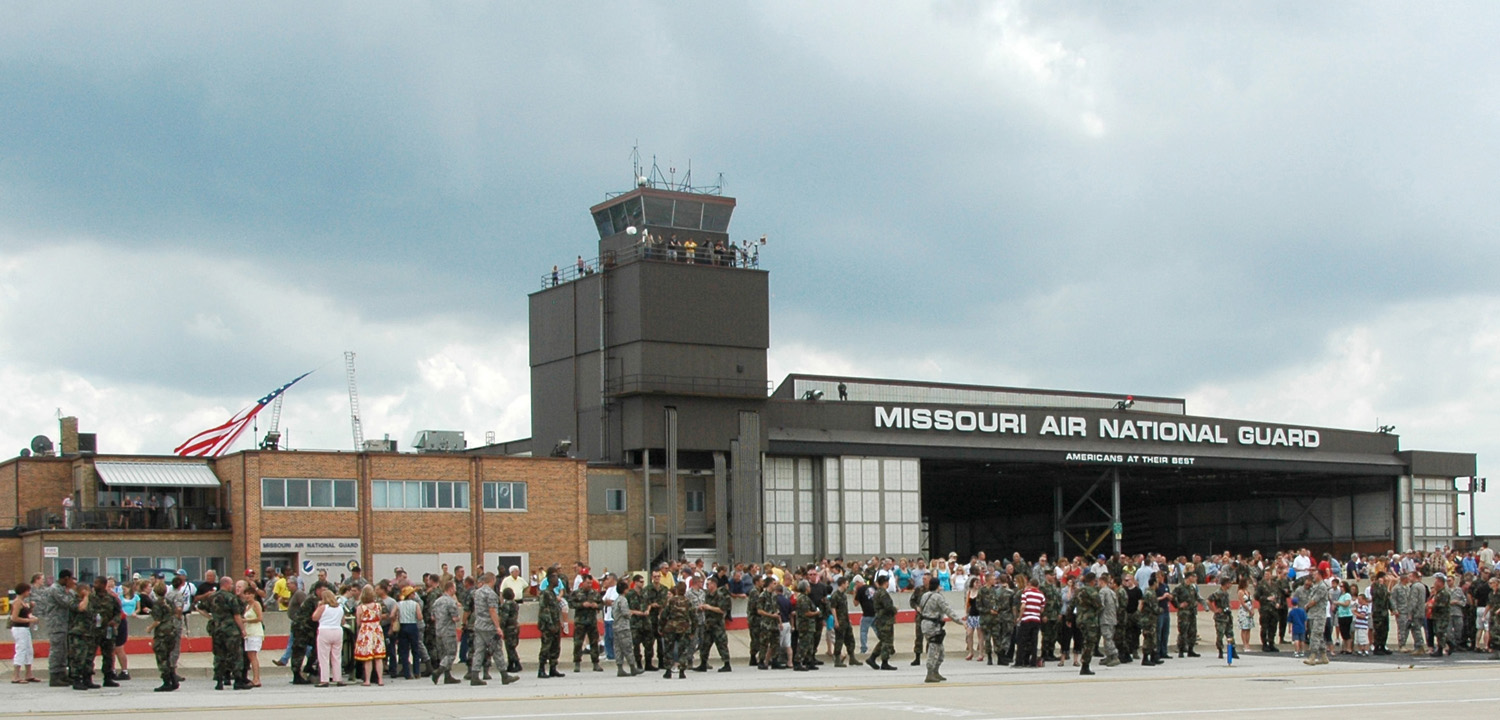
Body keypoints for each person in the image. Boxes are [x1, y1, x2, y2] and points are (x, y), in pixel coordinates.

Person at [197, 578, 249, 690]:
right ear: (227, 584)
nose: (232, 586)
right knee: (236, 654)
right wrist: (242, 630)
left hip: (217, 630)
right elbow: (237, 616)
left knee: (219, 655)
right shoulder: (231, 598)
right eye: (231, 584)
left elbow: (199, 607)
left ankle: (219, 680)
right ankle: (238, 680)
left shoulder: (212, 597)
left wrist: (211, 617)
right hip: (231, 631)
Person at [39, 570, 77, 686]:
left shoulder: (63, 590)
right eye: (71, 579)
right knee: (57, 651)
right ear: (66, 578)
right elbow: (68, 603)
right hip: (56, 625)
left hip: (64, 624)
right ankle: (55, 676)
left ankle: (62, 674)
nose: (72, 582)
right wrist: (72, 591)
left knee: (63, 651)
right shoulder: (55, 589)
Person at [917, 576, 957, 683]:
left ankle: (935, 671)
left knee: (940, 650)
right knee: (934, 649)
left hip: (927, 624)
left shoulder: (924, 595)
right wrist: (960, 621)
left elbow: (920, 607)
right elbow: (947, 610)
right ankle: (930, 673)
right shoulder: (938, 597)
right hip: (932, 626)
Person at [144, 579, 180, 692]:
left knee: (162, 658)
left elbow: (157, 620)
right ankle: (173, 679)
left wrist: (149, 628)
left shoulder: (157, 604)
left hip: (162, 633)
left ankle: (166, 682)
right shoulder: (169, 601)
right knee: (169, 656)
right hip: (172, 631)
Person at [429, 581, 462, 684]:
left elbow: (433, 617)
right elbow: (455, 618)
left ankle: (448, 676)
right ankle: (438, 672)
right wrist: (459, 617)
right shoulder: (451, 602)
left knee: (443, 654)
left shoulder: (436, 601)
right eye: (454, 588)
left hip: (438, 630)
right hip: (448, 631)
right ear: (451, 588)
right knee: (451, 653)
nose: (455, 590)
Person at [696, 575, 732, 672]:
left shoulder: (720, 595)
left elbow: (722, 610)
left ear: (714, 584)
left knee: (721, 644)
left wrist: (709, 607)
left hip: (717, 625)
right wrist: (702, 608)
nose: (707, 586)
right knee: (704, 645)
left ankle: (726, 664)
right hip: (708, 624)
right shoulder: (707, 595)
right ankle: (703, 663)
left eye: (708, 584)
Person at [311, 588, 346, 687]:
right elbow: (343, 621)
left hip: (325, 630)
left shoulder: (323, 607)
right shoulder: (340, 608)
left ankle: (324, 679)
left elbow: (314, 617)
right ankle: (338, 678)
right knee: (337, 656)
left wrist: (318, 607)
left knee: (324, 657)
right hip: (337, 630)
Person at [569, 573, 603, 673]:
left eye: (591, 583)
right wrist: (582, 604)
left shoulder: (595, 593)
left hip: (592, 621)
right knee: (578, 643)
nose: (589, 585)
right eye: (588, 583)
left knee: (594, 642)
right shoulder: (576, 593)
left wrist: (596, 605)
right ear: (583, 583)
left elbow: (601, 604)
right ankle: (577, 663)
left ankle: (595, 663)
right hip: (580, 621)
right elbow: (571, 603)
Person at [353, 585, 386, 686]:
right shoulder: (378, 606)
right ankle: (380, 679)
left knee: (367, 658)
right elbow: (380, 618)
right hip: (376, 630)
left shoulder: (360, 608)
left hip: (366, 630)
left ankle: (367, 680)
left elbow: (358, 622)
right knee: (378, 657)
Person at [660, 582, 694, 678]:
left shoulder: (671, 601)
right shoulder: (688, 601)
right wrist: (693, 631)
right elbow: (693, 617)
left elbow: (664, 615)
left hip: (671, 627)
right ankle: (682, 671)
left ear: (677, 590)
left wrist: (661, 627)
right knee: (683, 650)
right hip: (684, 628)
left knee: (668, 649)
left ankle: (668, 670)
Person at [537, 566, 565, 678]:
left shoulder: (553, 593)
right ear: (550, 580)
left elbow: (555, 610)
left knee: (555, 647)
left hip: (556, 625)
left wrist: (559, 623)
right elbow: (544, 611)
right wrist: (550, 625)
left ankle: (553, 668)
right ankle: (541, 669)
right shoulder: (545, 594)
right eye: (555, 578)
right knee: (546, 648)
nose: (558, 581)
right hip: (548, 627)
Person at [865, 573, 898, 670]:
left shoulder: (877, 592)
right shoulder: (883, 593)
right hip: (885, 620)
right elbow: (888, 607)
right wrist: (894, 609)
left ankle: (872, 658)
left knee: (883, 641)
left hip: (881, 619)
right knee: (887, 642)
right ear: (885, 583)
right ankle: (884, 662)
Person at [613, 576, 644, 676]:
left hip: (616, 627)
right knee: (628, 648)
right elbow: (625, 613)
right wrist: (630, 613)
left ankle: (619, 668)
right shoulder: (623, 600)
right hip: (624, 627)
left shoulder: (616, 600)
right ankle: (632, 667)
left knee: (618, 648)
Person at [9, 583, 38, 684]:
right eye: (28, 591)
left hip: (25, 629)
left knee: (29, 650)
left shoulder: (23, 602)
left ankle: (28, 674)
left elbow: (26, 614)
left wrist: (31, 609)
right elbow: (14, 618)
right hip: (19, 629)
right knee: (21, 649)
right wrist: (28, 621)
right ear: (24, 591)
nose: (29, 593)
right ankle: (16, 675)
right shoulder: (17, 602)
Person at [1014, 574, 1044, 668]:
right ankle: (1033, 662)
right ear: (1037, 585)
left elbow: (1023, 606)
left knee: (1022, 641)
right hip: (1036, 619)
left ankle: (1019, 662)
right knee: (1034, 641)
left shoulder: (1026, 593)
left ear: (1030, 584)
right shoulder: (1041, 594)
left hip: (1026, 618)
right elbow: (1042, 609)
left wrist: (1019, 617)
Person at [828, 575, 857, 667]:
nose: (848, 585)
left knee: (850, 639)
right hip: (840, 621)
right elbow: (833, 609)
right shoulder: (835, 595)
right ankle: (837, 659)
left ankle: (852, 657)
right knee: (839, 640)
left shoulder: (844, 595)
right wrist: (836, 621)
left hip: (846, 620)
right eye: (847, 583)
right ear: (842, 584)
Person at [241, 583, 265, 687]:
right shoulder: (246, 606)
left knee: (253, 655)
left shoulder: (256, 604)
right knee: (249, 656)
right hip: (248, 633)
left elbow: (260, 618)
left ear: (253, 595)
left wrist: (246, 620)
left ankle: (256, 679)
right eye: (246, 594)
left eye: (249, 594)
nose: (247, 596)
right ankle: (254, 677)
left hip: (255, 632)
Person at [1208, 579, 1233, 659]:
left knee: (1230, 633)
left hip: (1227, 616)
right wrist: (1215, 610)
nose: (1231, 585)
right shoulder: (1218, 593)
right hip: (1220, 617)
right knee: (1220, 634)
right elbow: (1209, 600)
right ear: (1226, 584)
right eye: (1229, 583)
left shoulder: (1226, 593)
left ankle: (1232, 650)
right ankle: (1220, 650)